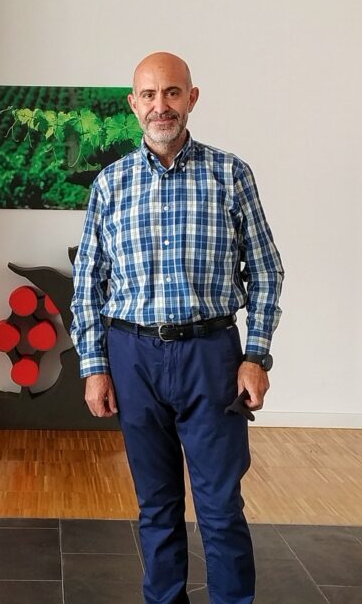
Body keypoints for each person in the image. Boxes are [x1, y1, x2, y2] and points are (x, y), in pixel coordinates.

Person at [71, 52, 283, 604]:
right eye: (149, 95)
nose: (160, 105)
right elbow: (87, 287)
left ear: (192, 97)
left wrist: (255, 355)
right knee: (156, 505)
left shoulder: (231, 174)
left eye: (171, 93)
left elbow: (264, 269)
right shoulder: (110, 184)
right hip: (132, 356)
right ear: (132, 104)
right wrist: (95, 368)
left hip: (211, 356)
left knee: (219, 505)